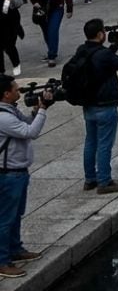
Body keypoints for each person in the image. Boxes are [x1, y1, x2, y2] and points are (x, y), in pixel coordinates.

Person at [73, 18, 118, 194]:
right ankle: (104, 182)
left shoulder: (82, 50)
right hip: (105, 106)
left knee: (90, 142)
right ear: (100, 34)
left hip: (88, 105)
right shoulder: (104, 55)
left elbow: (102, 57)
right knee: (105, 144)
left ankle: (89, 179)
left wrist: (114, 45)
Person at [0, 74, 50, 279]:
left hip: (18, 173)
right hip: (8, 176)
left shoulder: (10, 111)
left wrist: (37, 110)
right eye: (15, 88)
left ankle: (15, 249)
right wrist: (44, 110)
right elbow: (31, 131)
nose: (18, 90)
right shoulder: (3, 117)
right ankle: (2, 262)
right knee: (5, 219)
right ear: (5, 94)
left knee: (15, 216)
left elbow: (27, 122)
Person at [27, 0, 72, 68]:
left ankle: (52, 56)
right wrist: (35, 2)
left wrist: (69, 9)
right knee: (46, 31)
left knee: (53, 30)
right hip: (42, 8)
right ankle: (51, 49)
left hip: (57, 8)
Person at [0, 0, 21, 76]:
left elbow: (10, 8)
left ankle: (16, 64)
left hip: (9, 22)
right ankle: (1, 71)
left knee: (9, 47)